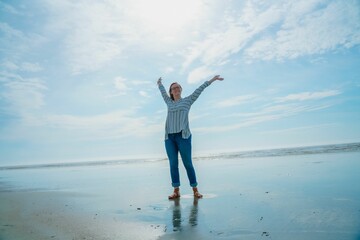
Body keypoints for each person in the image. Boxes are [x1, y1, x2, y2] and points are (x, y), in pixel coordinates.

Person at [157, 75, 224, 199]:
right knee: (173, 164)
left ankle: (195, 190)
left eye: (178, 87)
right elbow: (162, 92)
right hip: (169, 138)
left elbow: (200, 89)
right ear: (171, 92)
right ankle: (176, 191)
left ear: (181, 90)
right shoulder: (168, 102)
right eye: (173, 88)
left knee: (188, 163)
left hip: (183, 137)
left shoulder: (188, 100)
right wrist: (159, 84)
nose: (176, 89)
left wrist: (212, 80)